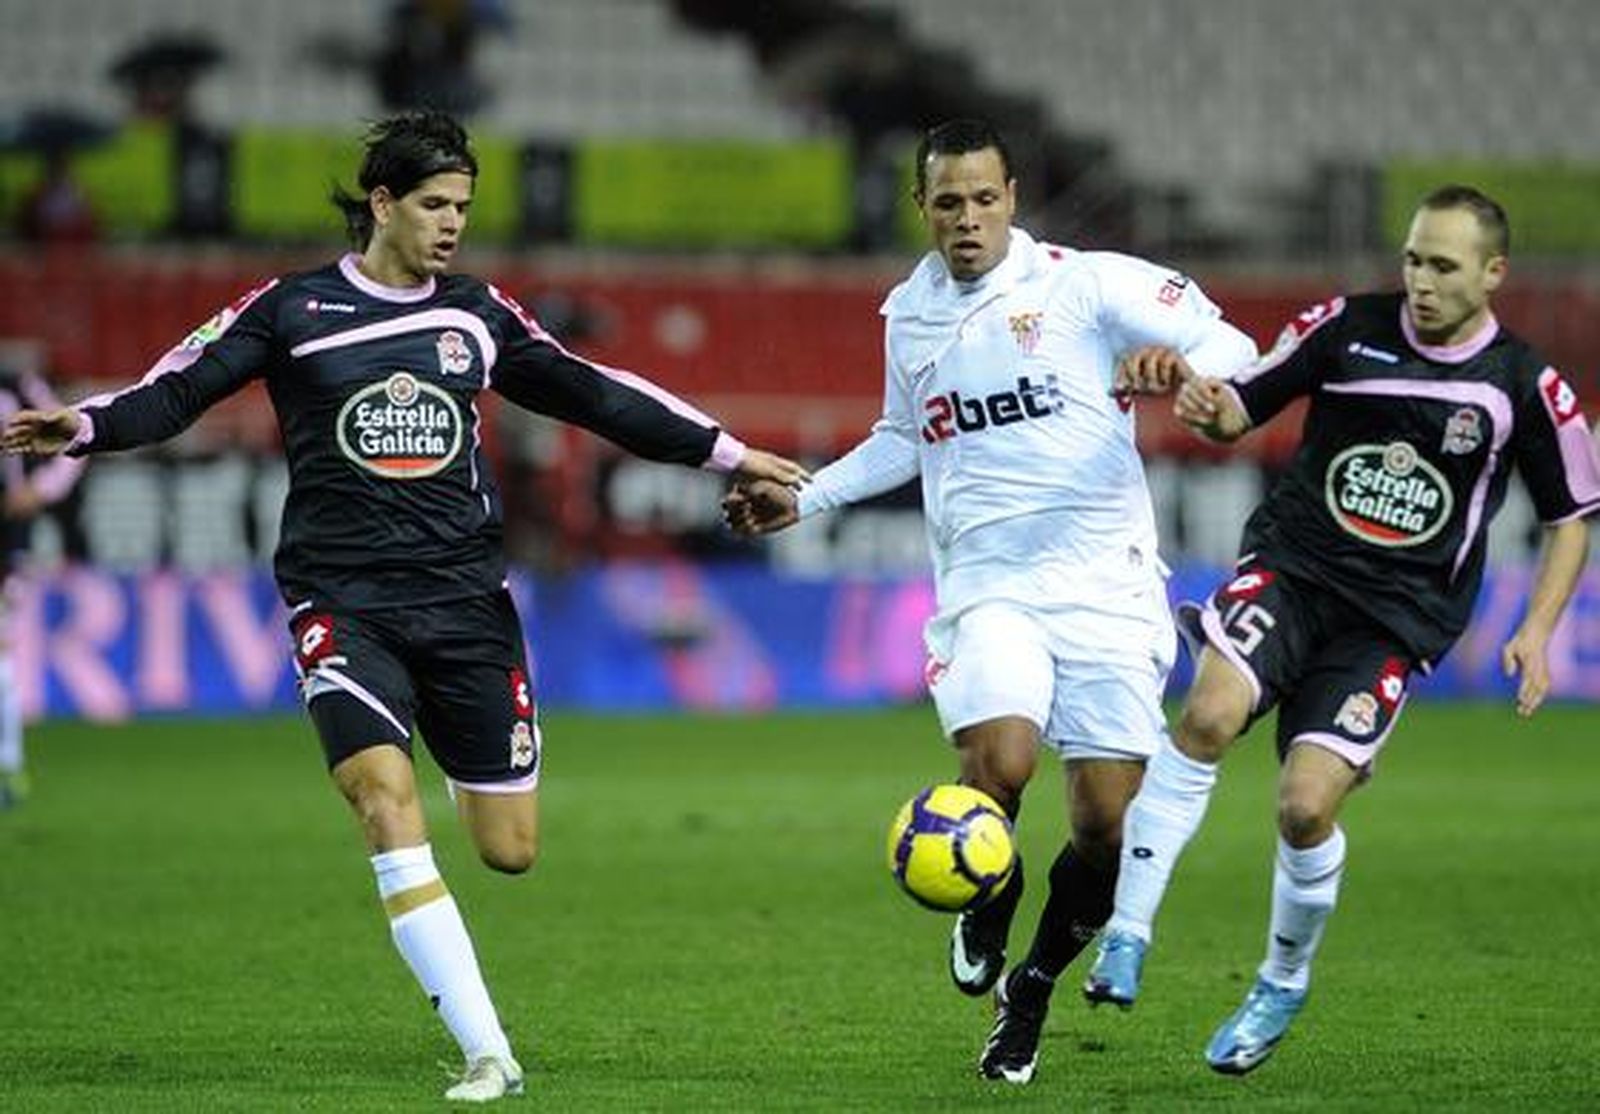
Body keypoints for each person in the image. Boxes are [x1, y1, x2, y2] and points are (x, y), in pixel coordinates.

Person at [1, 110, 805, 1103]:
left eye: (462, 206)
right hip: (342, 603)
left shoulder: (475, 314)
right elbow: (180, 388)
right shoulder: (291, 310)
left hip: (465, 604)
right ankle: (488, 1051)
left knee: (509, 851)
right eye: (434, 204)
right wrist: (86, 425)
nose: (452, 223)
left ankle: (463, 762)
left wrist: (727, 452)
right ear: (382, 204)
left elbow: (591, 392)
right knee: (382, 799)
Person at [722, 117, 1258, 1085]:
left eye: (982, 199)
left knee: (1106, 829)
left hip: (1106, 587)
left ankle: (1032, 989)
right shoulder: (909, 314)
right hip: (989, 586)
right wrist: (808, 496)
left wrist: (1188, 373)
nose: (966, 218)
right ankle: (988, 891)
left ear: (1012, 198)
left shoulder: (1085, 285)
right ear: (920, 207)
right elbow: (903, 435)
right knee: (1000, 762)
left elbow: (1235, 341)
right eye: (947, 202)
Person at [1084, 184, 1600, 1075]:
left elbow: (1571, 518)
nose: (1422, 281)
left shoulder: (1523, 385)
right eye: (1412, 260)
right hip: (1294, 573)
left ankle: (1281, 981)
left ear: (1493, 273)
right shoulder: (1344, 328)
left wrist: (1538, 628)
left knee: (1304, 807)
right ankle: (1126, 931)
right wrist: (1206, 406)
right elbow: (1240, 406)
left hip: (1393, 624)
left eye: (1444, 266)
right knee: (1207, 715)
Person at [0, 364, 84, 807]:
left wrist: (41, 489)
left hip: (6, 539)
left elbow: (75, 435)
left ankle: (7, 768)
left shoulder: (16, 383)